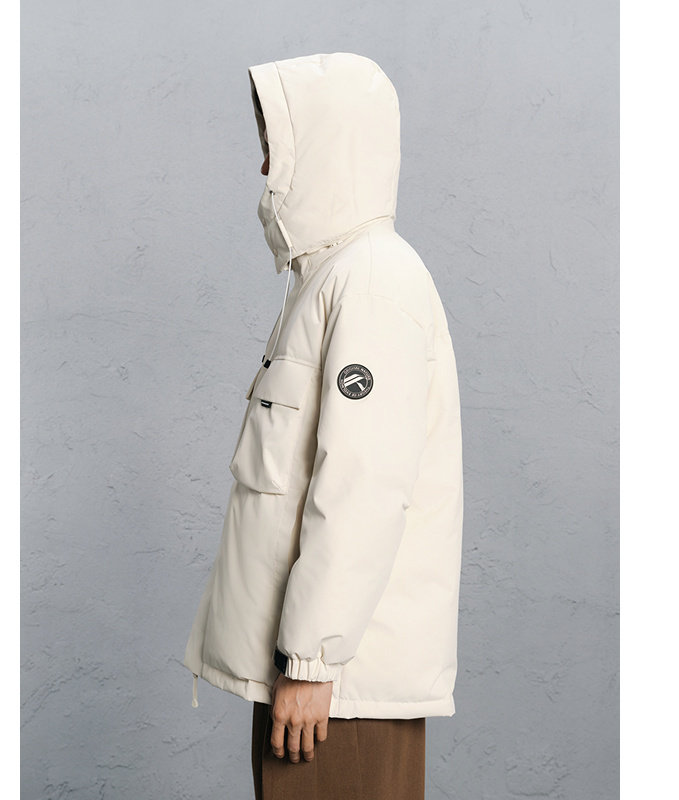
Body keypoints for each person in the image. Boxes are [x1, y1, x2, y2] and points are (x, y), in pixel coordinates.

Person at [182, 52, 464, 800]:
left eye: (276, 144)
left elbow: (363, 487)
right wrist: (300, 663)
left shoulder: (371, 281)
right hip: (311, 681)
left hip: (337, 693)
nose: (265, 166)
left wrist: (312, 661)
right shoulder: (330, 280)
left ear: (329, 143)